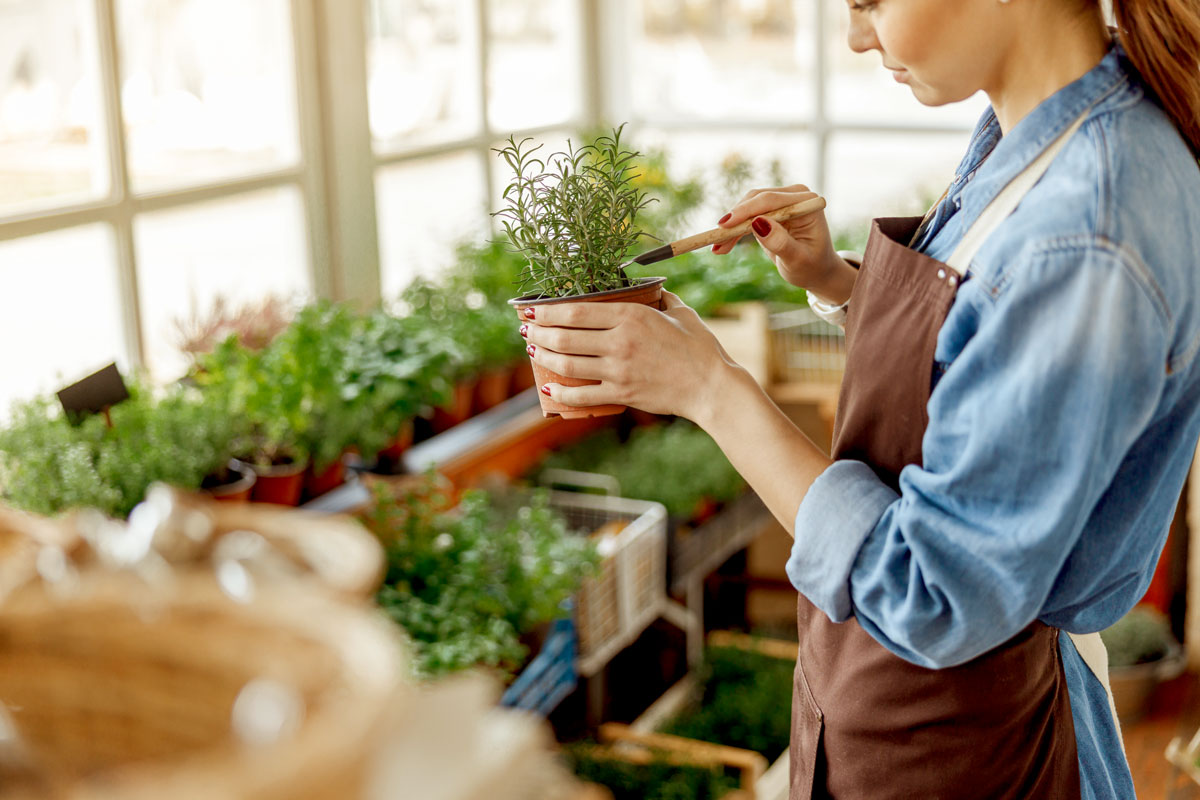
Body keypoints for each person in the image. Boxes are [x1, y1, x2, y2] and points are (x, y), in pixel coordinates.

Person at [519, 0, 1200, 797]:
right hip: (899, 711)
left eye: (869, 2)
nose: (855, 35)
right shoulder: (1039, 135)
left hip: (960, 744)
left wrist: (712, 390)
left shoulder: (1088, 231)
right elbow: (978, 368)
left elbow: (933, 593)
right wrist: (835, 283)